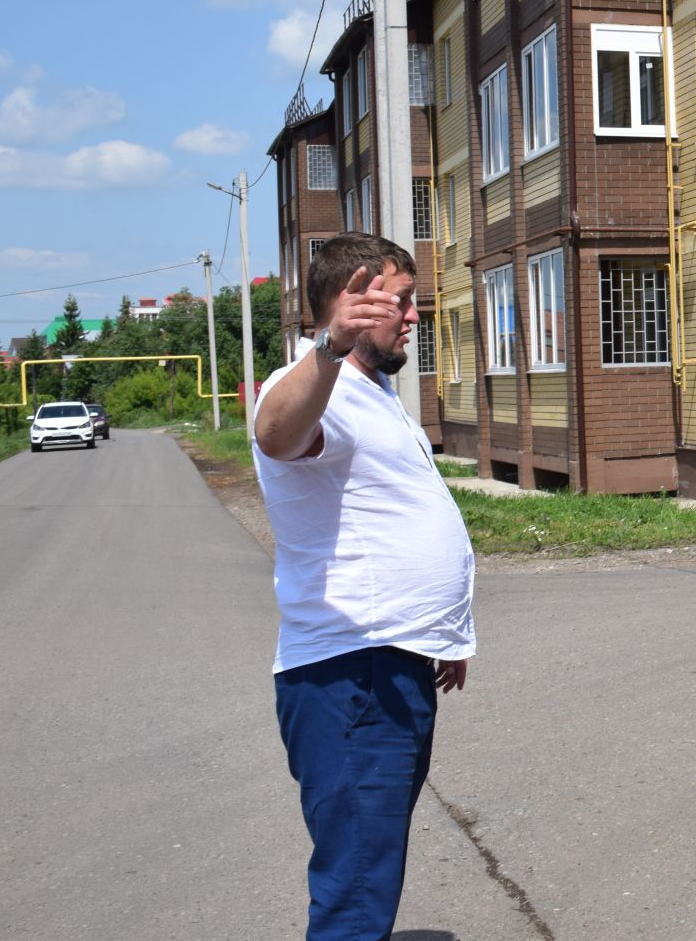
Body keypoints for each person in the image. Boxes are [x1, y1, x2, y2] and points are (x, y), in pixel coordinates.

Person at [252, 232, 475, 941]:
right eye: (402, 302)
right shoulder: (323, 388)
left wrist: (441, 633)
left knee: (370, 871)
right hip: (350, 676)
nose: (415, 316)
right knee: (356, 885)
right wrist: (324, 347)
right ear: (351, 300)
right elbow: (276, 435)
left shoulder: (375, 394)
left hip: (390, 660)